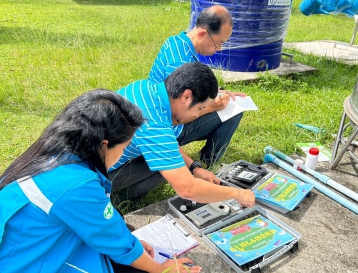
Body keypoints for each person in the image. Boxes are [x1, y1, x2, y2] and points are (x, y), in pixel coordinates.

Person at [0, 90, 201, 273]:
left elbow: (108, 229)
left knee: (127, 237)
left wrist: (131, 243)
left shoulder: (46, 156)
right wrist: (161, 269)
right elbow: (117, 243)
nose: (122, 155)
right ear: (103, 144)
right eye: (123, 148)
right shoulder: (76, 186)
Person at [109, 62, 255, 208]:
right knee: (168, 169)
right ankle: (113, 199)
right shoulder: (153, 123)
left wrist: (194, 168)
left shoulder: (145, 88)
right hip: (93, 177)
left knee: (171, 162)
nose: (197, 114)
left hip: (96, 157)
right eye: (199, 108)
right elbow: (187, 189)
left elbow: (168, 143)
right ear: (186, 96)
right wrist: (238, 194)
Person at [148, 4, 246, 167]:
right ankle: (210, 162)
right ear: (202, 33)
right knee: (235, 109)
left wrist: (220, 92)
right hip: (168, 128)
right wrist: (211, 107)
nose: (219, 49)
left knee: (228, 101)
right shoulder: (180, 62)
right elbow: (177, 115)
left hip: (158, 117)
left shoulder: (177, 42)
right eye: (218, 43)